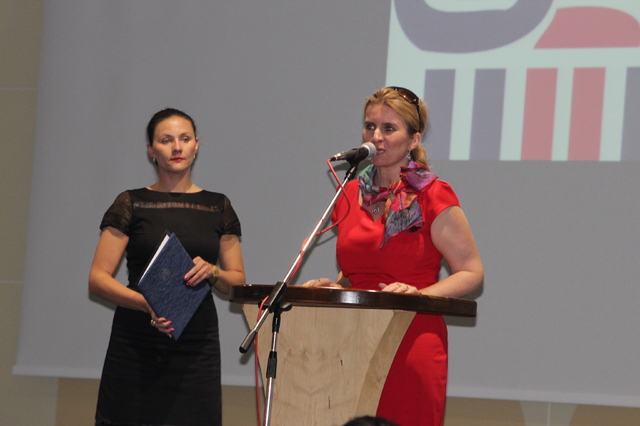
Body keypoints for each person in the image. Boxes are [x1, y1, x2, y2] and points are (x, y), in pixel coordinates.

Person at [304, 87, 483, 426]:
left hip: (410, 335)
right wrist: (336, 288)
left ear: (414, 139)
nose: (376, 137)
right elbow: (359, 270)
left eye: (389, 128)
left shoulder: (433, 194)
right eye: (370, 126)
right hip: (352, 340)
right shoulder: (350, 193)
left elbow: (472, 272)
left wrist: (418, 295)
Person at [88, 108, 246, 426]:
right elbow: (97, 279)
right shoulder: (131, 202)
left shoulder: (218, 206)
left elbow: (238, 282)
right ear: (151, 149)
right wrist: (146, 304)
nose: (177, 147)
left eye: (185, 139)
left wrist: (214, 273)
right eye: (166, 140)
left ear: (196, 145)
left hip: (196, 344)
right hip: (137, 340)